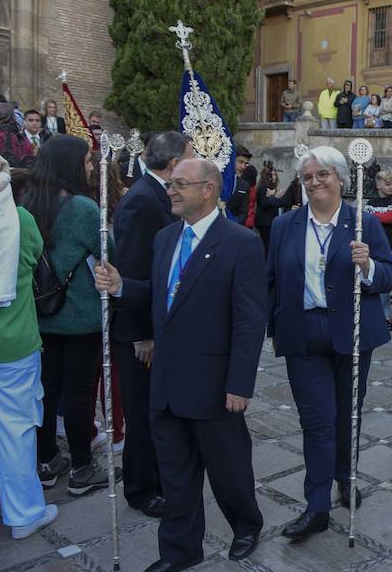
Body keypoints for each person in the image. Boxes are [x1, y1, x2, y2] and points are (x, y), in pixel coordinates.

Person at [95, 157, 267, 568]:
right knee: (175, 475)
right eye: (170, 184)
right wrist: (122, 287)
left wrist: (239, 384)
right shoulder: (166, 238)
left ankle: (246, 524)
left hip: (214, 385)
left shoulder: (240, 243)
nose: (170, 190)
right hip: (167, 383)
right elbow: (163, 294)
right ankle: (180, 551)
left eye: (179, 184)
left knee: (229, 470)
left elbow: (249, 319)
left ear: (208, 189)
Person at [265, 146, 392, 541]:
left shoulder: (362, 224)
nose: (315, 182)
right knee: (317, 423)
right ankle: (316, 506)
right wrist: (275, 326)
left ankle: (345, 475)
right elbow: (272, 280)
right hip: (304, 334)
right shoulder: (286, 225)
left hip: (352, 335)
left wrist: (368, 265)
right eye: (308, 177)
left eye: (323, 174)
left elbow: (389, 276)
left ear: (340, 178)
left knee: (346, 416)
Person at [20, 135, 114, 495]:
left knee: (45, 391)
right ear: (70, 166)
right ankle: (81, 468)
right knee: (78, 393)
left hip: (40, 314)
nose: (90, 168)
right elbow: (110, 251)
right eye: (87, 162)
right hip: (79, 317)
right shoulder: (83, 209)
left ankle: (46, 462)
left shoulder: (28, 202)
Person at [111, 131, 191, 519]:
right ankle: (141, 489)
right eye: (189, 157)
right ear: (174, 163)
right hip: (138, 335)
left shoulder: (158, 194)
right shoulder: (142, 200)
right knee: (142, 414)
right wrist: (141, 334)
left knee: (157, 410)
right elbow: (129, 273)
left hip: (157, 329)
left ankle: (159, 477)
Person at [0, 165, 59, 539]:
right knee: (16, 428)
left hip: (15, 342)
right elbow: (35, 257)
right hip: (14, 339)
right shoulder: (19, 219)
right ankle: (23, 513)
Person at [366, 168, 392, 328]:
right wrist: (375, 218)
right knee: (379, 284)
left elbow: (390, 217)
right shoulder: (371, 203)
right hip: (375, 248)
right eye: (388, 184)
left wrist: (374, 217)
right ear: (379, 185)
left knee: (389, 283)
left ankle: (387, 317)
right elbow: (365, 220)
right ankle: (382, 316)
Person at [255, 165, 284, 253]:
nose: (274, 177)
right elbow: (264, 204)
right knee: (267, 247)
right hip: (265, 223)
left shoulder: (272, 188)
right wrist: (275, 197)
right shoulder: (263, 188)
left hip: (270, 221)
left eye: (275, 175)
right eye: (272, 175)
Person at [227, 144, 253, 225]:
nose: (243, 167)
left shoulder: (245, 186)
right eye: (240, 162)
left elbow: (244, 213)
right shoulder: (217, 180)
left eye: (246, 164)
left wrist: (233, 224)